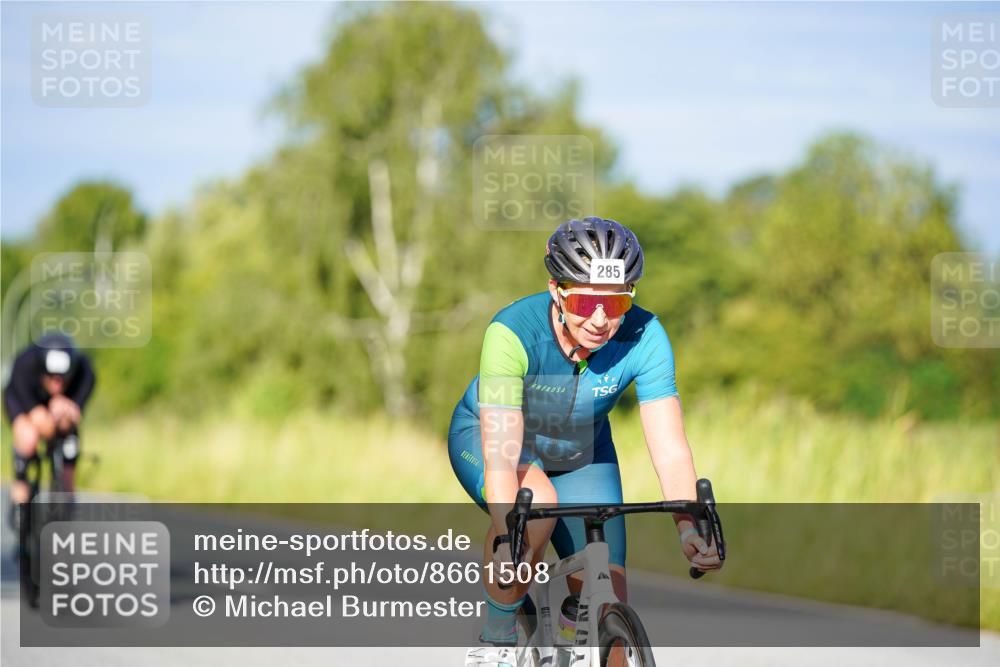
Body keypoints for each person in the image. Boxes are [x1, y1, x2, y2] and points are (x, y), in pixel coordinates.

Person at [449, 217, 721, 661]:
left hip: (583, 455)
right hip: (497, 442)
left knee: (608, 601)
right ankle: (496, 641)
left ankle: (578, 638)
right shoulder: (511, 331)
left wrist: (688, 525)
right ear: (556, 289)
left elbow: (671, 450)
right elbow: (501, 458)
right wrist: (508, 538)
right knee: (533, 514)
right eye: (584, 301)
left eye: (615, 305)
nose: (599, 320)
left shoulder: (646, 337)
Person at [3, 332, 95, 517]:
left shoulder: (84, 371)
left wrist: (68, 408)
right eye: (52, 377)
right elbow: (36, 416)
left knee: (68, 435)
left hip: (61, 407)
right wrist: (43, 416)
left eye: (62, 378)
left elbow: (75, 411)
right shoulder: (25, 365)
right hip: (23, 401)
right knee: (28, 437)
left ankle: (66, 495)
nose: (57, 383)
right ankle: (20, 490)